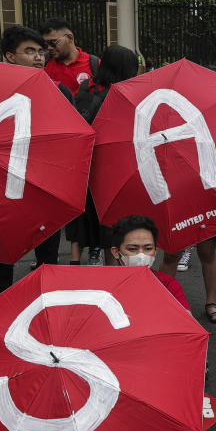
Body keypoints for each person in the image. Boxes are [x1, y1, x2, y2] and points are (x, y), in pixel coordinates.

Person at [0, 25, 73, 300]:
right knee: (3, 251)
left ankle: (47, 303)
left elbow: (70, 137)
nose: (38, 57)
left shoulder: (60, 92)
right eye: (29, 51)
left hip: (45, 183)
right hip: (5, 181)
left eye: (40, 51)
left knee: (47, 251)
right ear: (10, 57)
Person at [108, 214, 200, 431]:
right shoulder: (101, 286)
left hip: (156, 360)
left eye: (148, 249)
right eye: (132, 249)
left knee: (188, 362)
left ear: (156, 251)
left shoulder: (168, 285)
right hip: (112, 360)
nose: (141, 255)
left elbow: (187, 332)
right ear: (116, 252)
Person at [66, 44, 139, 267]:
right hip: (110, 166)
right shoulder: (117, 95)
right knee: (110, 222)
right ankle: (111, 271)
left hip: (86, 163)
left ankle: (79, 264)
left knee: (87, 218)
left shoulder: (87, 87)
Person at [40, 17, 99, 96]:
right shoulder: (44, 64)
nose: (49, 48)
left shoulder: (95, 64)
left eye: (53, 42)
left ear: (70, 38)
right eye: (46, 44)